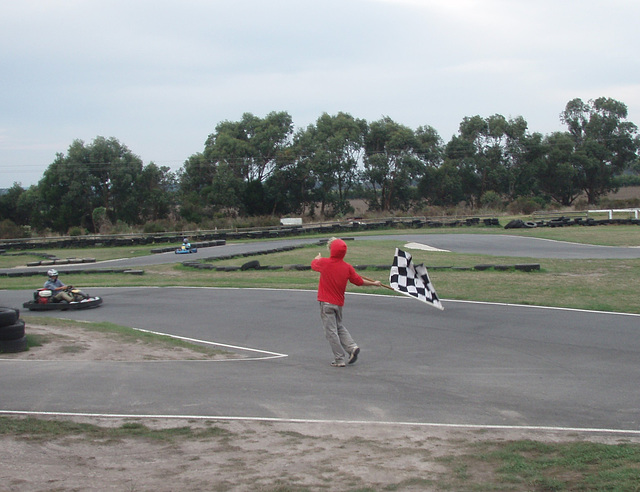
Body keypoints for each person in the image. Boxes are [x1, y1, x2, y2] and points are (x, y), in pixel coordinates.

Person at [311, 237, 382, 367]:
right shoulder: (347, 267)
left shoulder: (324, 262)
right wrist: (374, 283)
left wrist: (317, 257)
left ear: (331, 250)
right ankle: (351, 347)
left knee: (330, 331)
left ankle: (339, 359)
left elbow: (313, 265)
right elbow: (359, 281)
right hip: (338, 304)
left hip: (326, 303)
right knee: (339, 327)